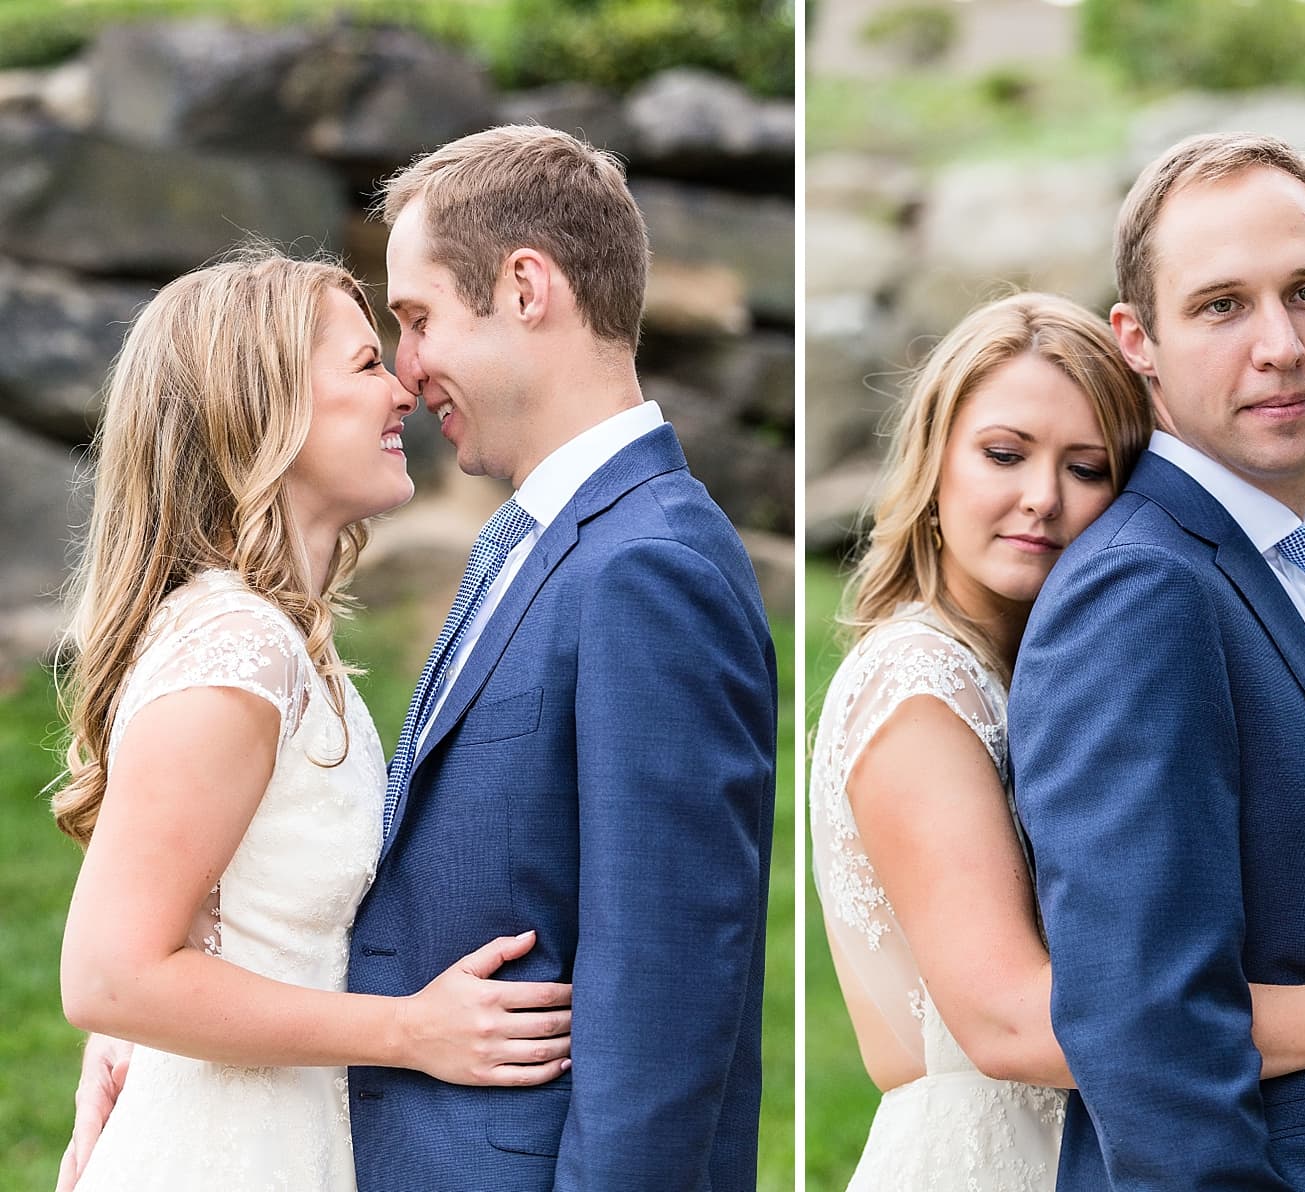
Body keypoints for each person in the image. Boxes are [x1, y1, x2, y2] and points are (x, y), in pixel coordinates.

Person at [65, 126, 778, 1190]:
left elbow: (667, 987)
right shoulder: (502, 553)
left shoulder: (645, 564)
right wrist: (159, 1027)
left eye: (416, 320)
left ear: (526, 288)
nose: (406, 374)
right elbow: (132, 950)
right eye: (377, 348)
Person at [809, 291, 1305, 1191]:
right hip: (993, 1157)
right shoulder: (921, 688)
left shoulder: (1052, 667)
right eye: (1004, 454)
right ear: (935, 461)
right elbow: (1009, 1020)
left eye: (1087, 468)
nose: (1042, 499)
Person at [1009, 134, 1305, 1190]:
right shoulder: (1140, 592)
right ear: (1138, 341)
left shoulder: (1284, 562)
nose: (1281, 345)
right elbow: (1146, 1023)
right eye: (1221, 306)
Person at [52, 250, 576, 1192]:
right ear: (265, 409)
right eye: (368, 364)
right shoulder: (238, 647)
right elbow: (109, 976)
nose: (404, 390)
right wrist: (409, 1030)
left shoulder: (278, 641)